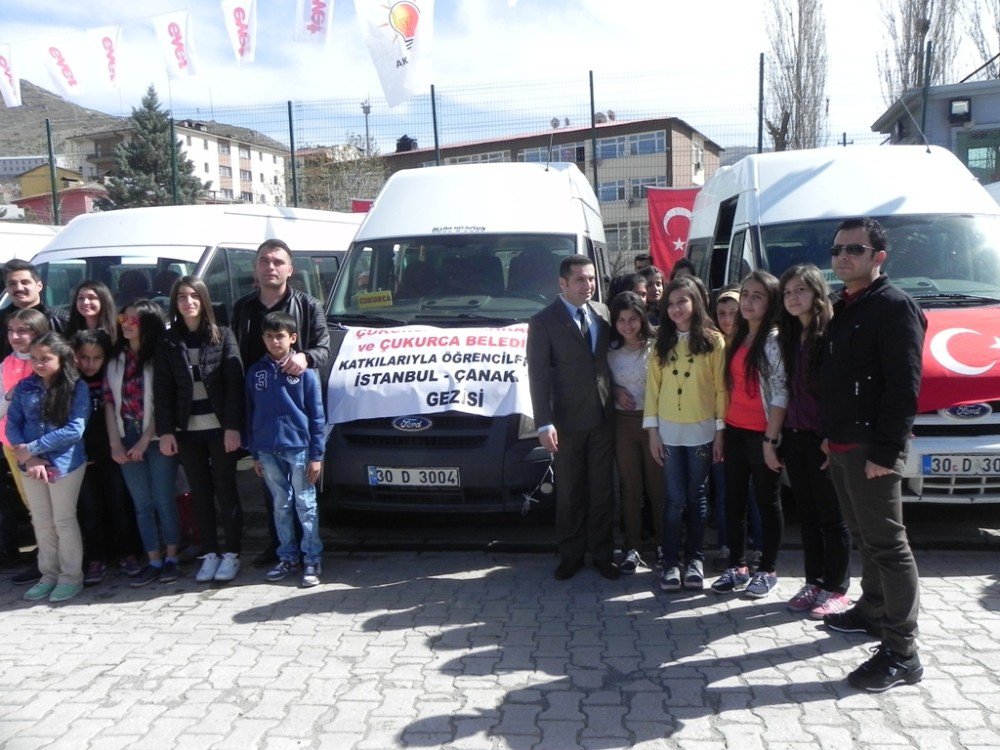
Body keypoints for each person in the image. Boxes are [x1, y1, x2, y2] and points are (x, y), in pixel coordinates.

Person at [819, 217, 926, 692]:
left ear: (878, 257)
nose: (843, 256)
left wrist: (885, 450)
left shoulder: (894, 307)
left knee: (888, 544)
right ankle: (873, 611)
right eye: (838, 248)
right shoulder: (847, 305)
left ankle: (903, 653)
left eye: (854, 249)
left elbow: (904, 388)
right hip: (843, 441)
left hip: (871, 447)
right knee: (865, 536)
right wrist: (828, 432)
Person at [231, 239, 331, 567]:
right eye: (264, 261)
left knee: (303, 494)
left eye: (277, 262)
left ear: (290, 269)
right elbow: (235, 360)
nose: (270, 267)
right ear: (255, 269)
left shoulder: (308, 305)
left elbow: (324, 349)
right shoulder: (243, 308)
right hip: (261, 412)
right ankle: (280, 549)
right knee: (273, 492)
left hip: (296, 414)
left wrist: (304, 356)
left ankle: (309, 552)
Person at [527, 255, 618, 581]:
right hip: (566, 424)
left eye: (591, 279)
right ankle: (571, 554)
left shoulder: (602, 314)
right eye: (580, 280)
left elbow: (607, 363)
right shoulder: (543, 322)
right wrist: (544, 422)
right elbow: (538, 376)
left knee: (602, 491)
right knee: (570, 492)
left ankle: (604, 554)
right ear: (562, 284)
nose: (588, 285)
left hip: (602, 421)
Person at [155, 277, 245, 585]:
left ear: (203, 300)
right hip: (187, 432)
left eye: (194, 296)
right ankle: (210, 553)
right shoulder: (168, 342)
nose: (188, 302)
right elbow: (163, 391)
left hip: (220, 431)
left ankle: (232, 553)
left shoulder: (224, 335)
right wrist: (166, 431)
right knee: (200, 494)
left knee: (226, 490)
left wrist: (233, 427)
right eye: (181, 296)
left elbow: (235, 386)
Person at [778, 265, 853, 618]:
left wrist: (830, 436)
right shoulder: (790, 334)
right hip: (794, 436)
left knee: (831, 517)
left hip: (822, 439)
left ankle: (837, 588)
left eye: (800, 291)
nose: (793, 297)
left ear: (816, 293)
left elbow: (840, 392)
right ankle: (814, 581)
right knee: (807, 515)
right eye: (788, 291)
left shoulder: (830, 335)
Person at [645, 277, 727, 593]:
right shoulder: (659, 344)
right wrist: (652, 433)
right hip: (668, 433)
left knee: (697, 496)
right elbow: (653, 390)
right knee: (674, 498)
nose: (677, 308)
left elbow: (721, 389)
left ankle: (694, 559)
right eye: (671, 303)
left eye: (682, 301)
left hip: (703, 432)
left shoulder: (713, 341)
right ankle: (670, 563)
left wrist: (720, 432)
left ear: (695, 302)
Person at [710, 270, 787, 599]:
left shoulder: (774, 339)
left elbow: (781, 393)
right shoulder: (737, 336)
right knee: (734, 501)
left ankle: (767, 570)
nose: (749, 301)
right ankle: (738, 566)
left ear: (770, 302)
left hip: (763, 435)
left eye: (758, 296)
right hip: (735, 430)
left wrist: (771, 441)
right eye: (747, 294)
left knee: (767, 503)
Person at [7, 332, 90, 603]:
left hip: (65, 463)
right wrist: (29, 458)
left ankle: (70, 577)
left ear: (61, 358)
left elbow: (74, 430)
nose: (38, 364)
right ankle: (48, 575)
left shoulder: (77, 387)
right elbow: (13, 424)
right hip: (30, 465)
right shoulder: (24, 387)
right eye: (34, 359)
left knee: (63, 520)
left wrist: (33, 449)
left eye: (46, 359)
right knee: (41, 521)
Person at [246, 312, 325, 588]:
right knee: (281, 504)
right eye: (268, 336)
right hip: (267, 449)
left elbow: (316, 416)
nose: (274, 341)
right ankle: (287, 556)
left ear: (292, 338)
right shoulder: (256, 372)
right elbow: (250, 412)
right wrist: (254, 452)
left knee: (306, 503)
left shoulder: (305, 373)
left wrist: (317, 455)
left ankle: (312, 558)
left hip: (300, 448)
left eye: (280, 336)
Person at [104, 299, 180, 587]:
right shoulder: (115, 359)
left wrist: (146, 439)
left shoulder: (160, 356)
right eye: (124, 319)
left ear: (147, 324)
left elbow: (165, 403)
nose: (126, 324)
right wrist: (116, 443)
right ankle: (154, 559)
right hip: (126, 435)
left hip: (157, 435)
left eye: (134, 320)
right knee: (141, 504)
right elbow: (110, 403)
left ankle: (172, 557)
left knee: (163, 499)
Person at [72, 329, 143, 585]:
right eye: (84, 357)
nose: (90, 363)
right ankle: (95, 559)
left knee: (119, 504)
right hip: (80, 457)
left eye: (96, 357)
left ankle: (128, 554)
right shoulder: (69, 382)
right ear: (74, 357)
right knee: (89, 510)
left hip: (113, 452)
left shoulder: (112, 380)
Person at [607, 291, 663, 573]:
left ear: (642, 318)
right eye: (621, 320)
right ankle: (633, 547)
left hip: (654, 424)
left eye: (632, 319)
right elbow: (603, 383)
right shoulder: (610, 350)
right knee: (630, 489)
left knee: (657, 488)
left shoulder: (657, 346)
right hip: (623, 424)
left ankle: (665, 545)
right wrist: (615, 391)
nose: (627, 326)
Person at [0, 309, 50, 583]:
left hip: (44, 445)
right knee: (32, 505)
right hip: (12, 445)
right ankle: (43, 559)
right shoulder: (6, 364)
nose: (16, 337)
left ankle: (55, 559)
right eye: (11, 331)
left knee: (54, 506)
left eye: (23, 331)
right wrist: (9, 396)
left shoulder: (45, 362)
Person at [0, 259, 67, 357]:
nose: (19, 288)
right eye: (12, 283)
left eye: (25, 282)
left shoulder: (61, 321)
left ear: (39, 286)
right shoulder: (1, 319)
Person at [64, 280, 118, 345]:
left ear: (104, 301)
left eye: (91, 297)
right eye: (81, 298)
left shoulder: (118, 333)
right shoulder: (69, 331)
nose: (85, 302)